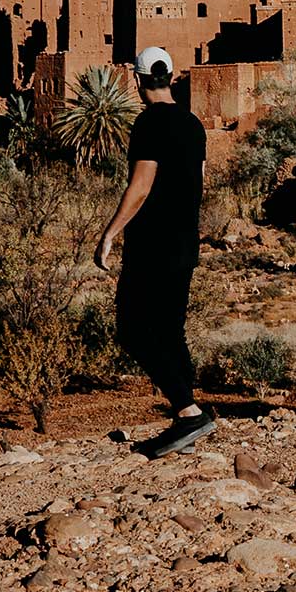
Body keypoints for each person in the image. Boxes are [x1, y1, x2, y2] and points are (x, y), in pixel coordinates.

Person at [95, 45, 213, 456]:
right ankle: (189, 418)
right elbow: (199, 178)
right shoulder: (194, 123)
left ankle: (189, 412)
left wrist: (110, 233)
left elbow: (141, 185)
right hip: (184, 241)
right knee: (170, 329)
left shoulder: (148, 124)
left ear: (139, 80)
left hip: (151, 244)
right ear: (171, 76)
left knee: (132, 329)